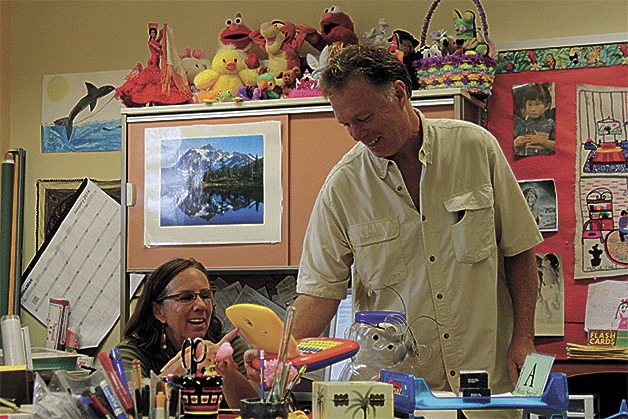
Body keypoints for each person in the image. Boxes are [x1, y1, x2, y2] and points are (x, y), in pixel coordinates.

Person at [292, 45, 542, 414]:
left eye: (364, 117)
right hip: (397, 396)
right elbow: (319, 295)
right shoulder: (344, 187)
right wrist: (273, 353)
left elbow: (520, 252)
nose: (357, 134)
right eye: (346, 124)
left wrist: (524, 338)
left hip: (485, 387)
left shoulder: (474, 148)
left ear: (399, 93)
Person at [116, 258, 258, 408]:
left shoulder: (228, 346)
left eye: (205, 296)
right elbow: (130, 407)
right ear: (159, 311)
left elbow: (252, 410)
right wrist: (181, 367)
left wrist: (225, 370)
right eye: (186, 298)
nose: (201, 305)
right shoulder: (132, 352)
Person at [513, 83, 556, 156]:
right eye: (530, 105)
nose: (533, 109)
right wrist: (515, 143)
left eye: (537, 104)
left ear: (547, 106)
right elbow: (507, 145)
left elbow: (559, 147)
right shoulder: (522, 125)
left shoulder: (550, 124)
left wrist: (543, 142)